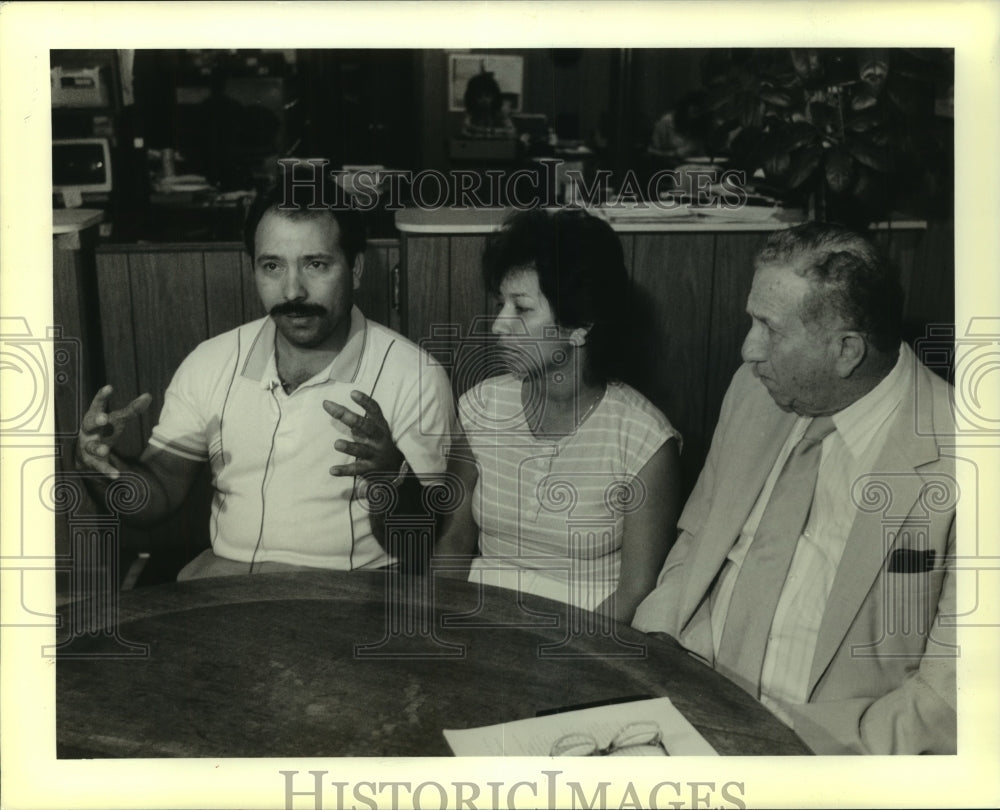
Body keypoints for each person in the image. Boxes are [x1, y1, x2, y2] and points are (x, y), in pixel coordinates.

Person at [632, 222, 956, 755]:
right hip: (681, 710)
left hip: (827, 754)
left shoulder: (967, 459)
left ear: (847, 350)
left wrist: (780, 753)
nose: (747, 350)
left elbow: (951, 695)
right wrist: (658, 663)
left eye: (769, 329)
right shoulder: (753, 393)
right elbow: (694, 542)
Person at [73, 168, 455, 578]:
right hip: (226, 589)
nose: (293, 291)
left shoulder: (413, 374)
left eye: (316, 264)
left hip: (349, 597)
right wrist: (100, 463)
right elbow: (156, 496)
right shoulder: (211, 361)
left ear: (356, 269)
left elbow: (421, 543)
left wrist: (389, 476)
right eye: (272, 266)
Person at [434, 209, 682, 623]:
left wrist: (560, 655)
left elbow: (637, 590)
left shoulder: (644, 441)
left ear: (580, 325)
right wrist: (441, 626)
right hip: (481, 622)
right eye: (501, 304)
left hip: (587, 638)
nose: (499, 325)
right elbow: (454, 542)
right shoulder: (480, 408)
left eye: (522, 309)